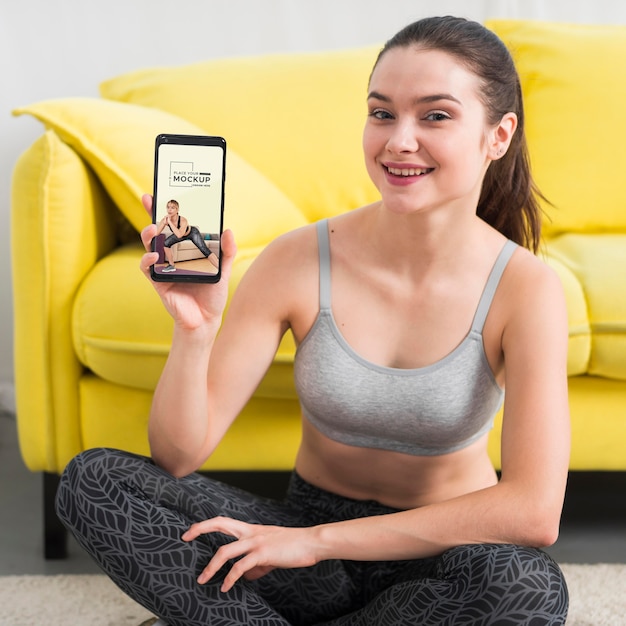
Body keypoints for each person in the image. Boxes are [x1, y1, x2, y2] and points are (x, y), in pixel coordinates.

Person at [55, 15, 570, 625]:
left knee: (527, 587)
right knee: (94, 481)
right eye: (382, 113)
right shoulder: (298, 259)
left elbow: (533, 513)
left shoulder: (526, 288)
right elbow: (178, 454)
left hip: (434, 551)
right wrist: (194, 332)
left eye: (435, 116)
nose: (399, 141)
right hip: (300, 549)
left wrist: (319, 542)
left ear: (498, 135)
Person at [155, 198, 219, 272]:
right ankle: (171, 265)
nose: (169, 210)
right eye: (168, 207)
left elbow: (179, 235)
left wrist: (169, 222)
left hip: (192, 233)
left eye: (172, 208)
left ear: (177, 210)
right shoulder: (164, 220)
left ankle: (219, 268)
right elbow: (157, 233)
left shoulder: (183, 220)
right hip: (181, 234)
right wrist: (162, 224)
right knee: (166, 243)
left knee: (205, 250)